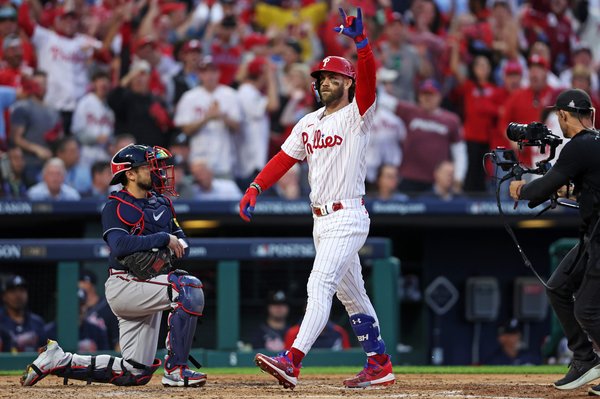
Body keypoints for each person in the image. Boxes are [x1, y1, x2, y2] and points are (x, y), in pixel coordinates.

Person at [239, 8, 395, 390]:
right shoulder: (309, 122)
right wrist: (256, 186)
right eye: (322, 77)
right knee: (352, 295)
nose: (325, 81)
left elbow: (370, 78)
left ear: (348, 82)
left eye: (333, 76)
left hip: (348, 214)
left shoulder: (359, 112)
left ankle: (292, 360)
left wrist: (362, 45)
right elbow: (284, 158)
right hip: (320, 221)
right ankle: (379, 363)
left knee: (319, 283)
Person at [21, 144, 206, 388]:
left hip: (150, 283)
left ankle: (58, 360)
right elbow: (119, 245)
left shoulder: (162, 204)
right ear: (130, 174)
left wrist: (164, 246)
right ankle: (176, 370)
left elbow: (183, 244)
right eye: (149, 167)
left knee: (135, 372)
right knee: (188, 288)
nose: (158, 172)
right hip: (125, 285)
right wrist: (162, 240)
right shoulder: (115, 205)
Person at [509, 89, 600, 394]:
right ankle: (584, 359)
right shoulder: (594, 142)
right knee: (558, 287)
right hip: (592, 236)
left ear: (562, 115)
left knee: (586, 310)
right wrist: (567, 191)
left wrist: (522, 189)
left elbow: (544, 186)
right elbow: (589, 188)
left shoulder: (580, 145)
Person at [0, 275, 47, 352]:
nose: (18, 295)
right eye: (13, 291)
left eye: (22, 290)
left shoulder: (37, 322)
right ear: (4, 296)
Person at [78, 269, 119, 351]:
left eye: (83, 281)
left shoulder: (107, 307)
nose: (80, 284)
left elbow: (117, 341)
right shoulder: (74, 309)